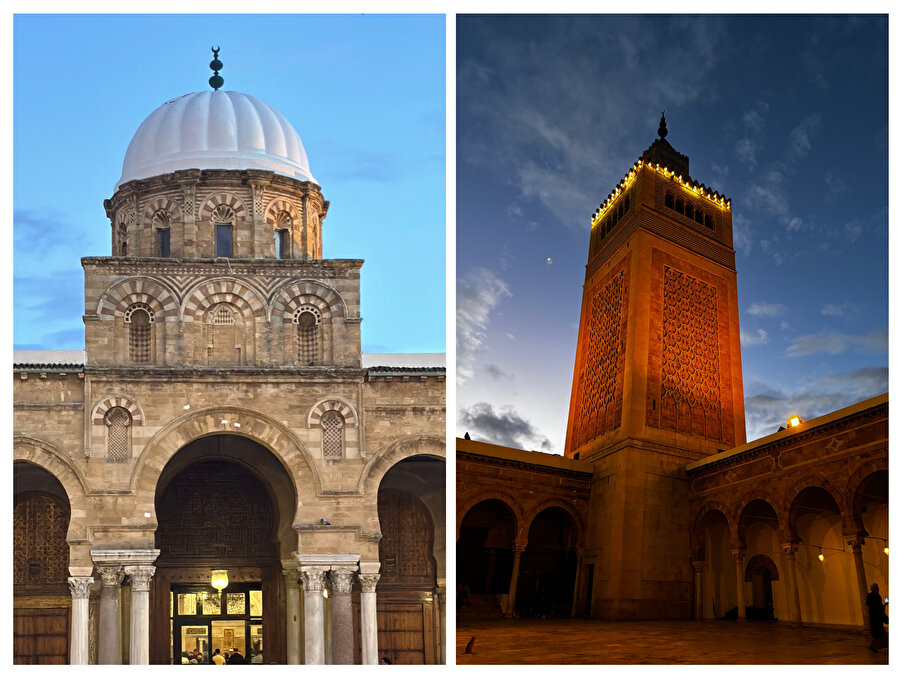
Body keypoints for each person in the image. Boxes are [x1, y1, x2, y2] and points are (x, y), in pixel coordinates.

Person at [866, 582, 888, 652]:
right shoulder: (877, 596)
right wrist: (885, 604)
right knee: (879, 632)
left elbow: (868, 603)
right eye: (877, 587)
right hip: (877, 617)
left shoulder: (869, 595)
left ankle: (874, 646)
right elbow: (879, 607)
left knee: (878, 633)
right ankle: (875, 647)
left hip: (873, 616)